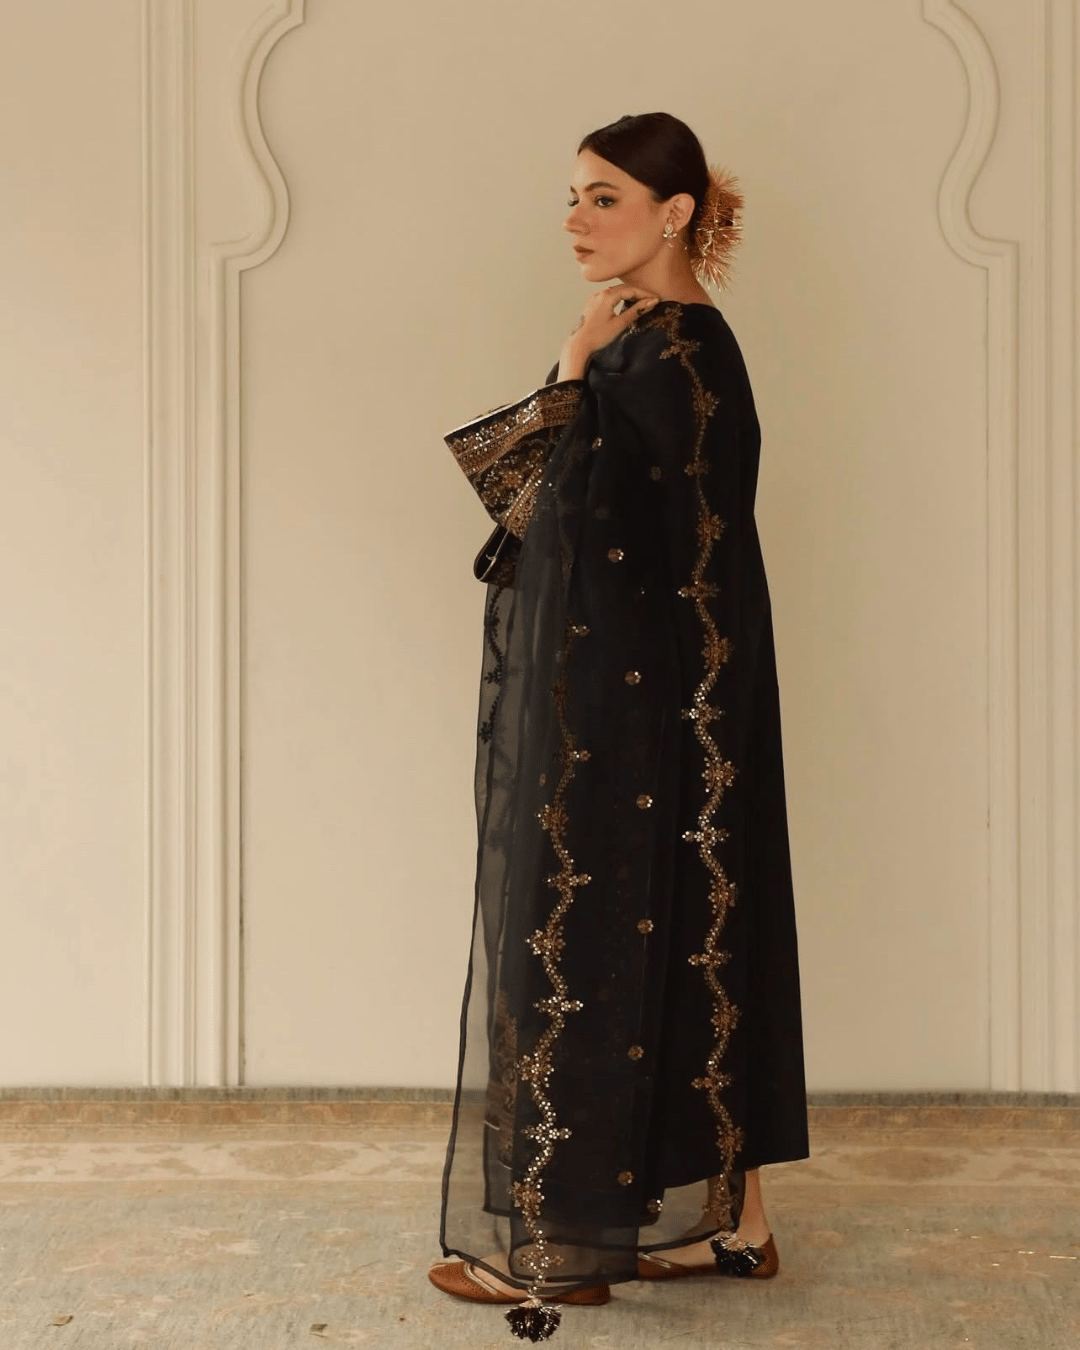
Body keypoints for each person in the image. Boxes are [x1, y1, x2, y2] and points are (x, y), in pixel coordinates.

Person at [428, 111, 809, 1342]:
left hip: (643, 717)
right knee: (695, 931)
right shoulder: (676, 346)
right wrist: (581, 365)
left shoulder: (668, 356)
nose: (577, 220)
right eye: (573, 198)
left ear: (676, 212)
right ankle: (735, 1222)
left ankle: (562, 1246)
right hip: (681, 703)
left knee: (595, 944)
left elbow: (543, 515)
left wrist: (570, 372)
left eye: (603, 198)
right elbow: (561, 520)